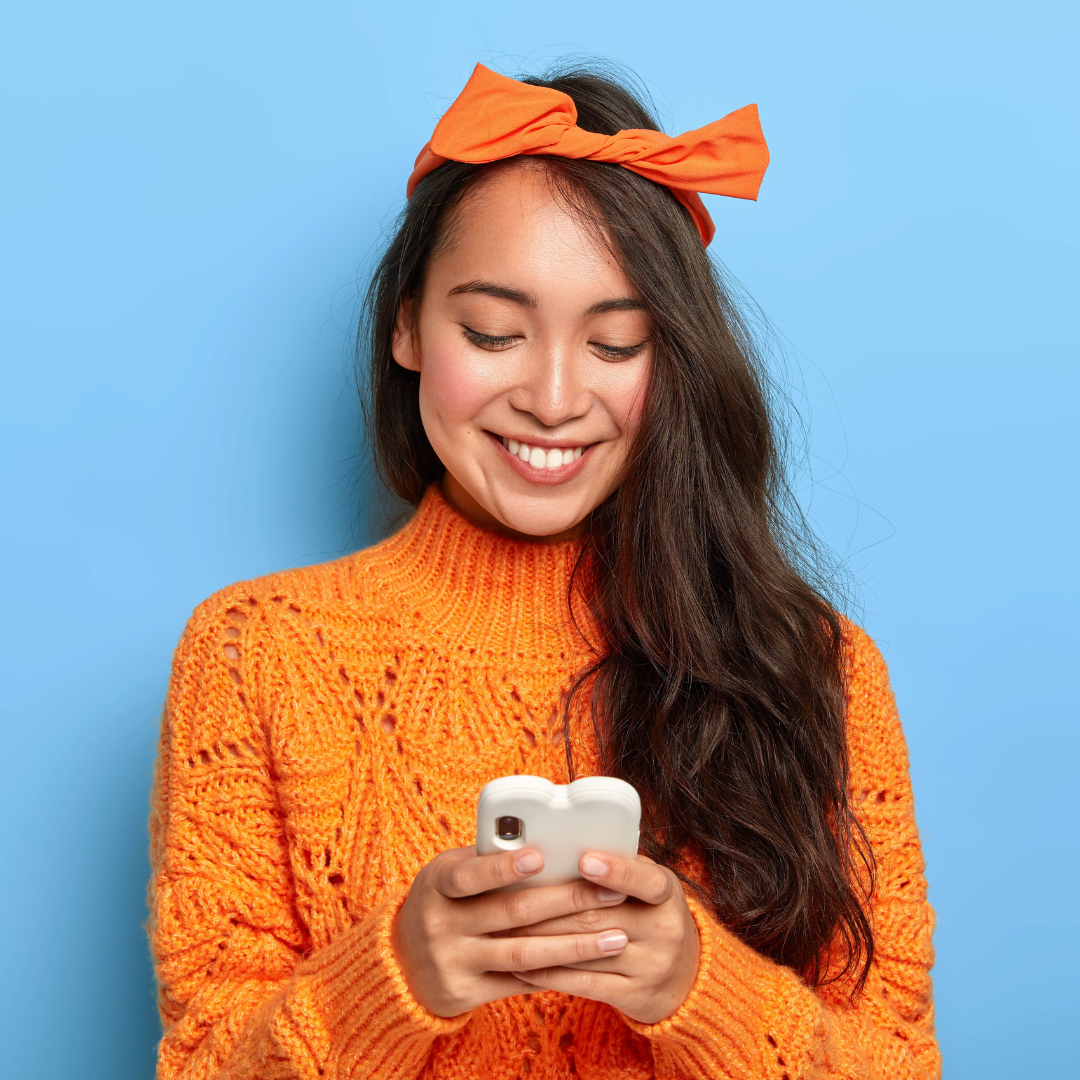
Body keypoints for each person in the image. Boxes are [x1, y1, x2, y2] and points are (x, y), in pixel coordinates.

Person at [148, 61, 940, 1079]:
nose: (557, 397)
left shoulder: (817, 672)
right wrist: (393, 979)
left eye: (615, 344)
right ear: (407, 328)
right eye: (493, 332)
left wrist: (700, 991)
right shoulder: (253, 656)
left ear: (674, 362)